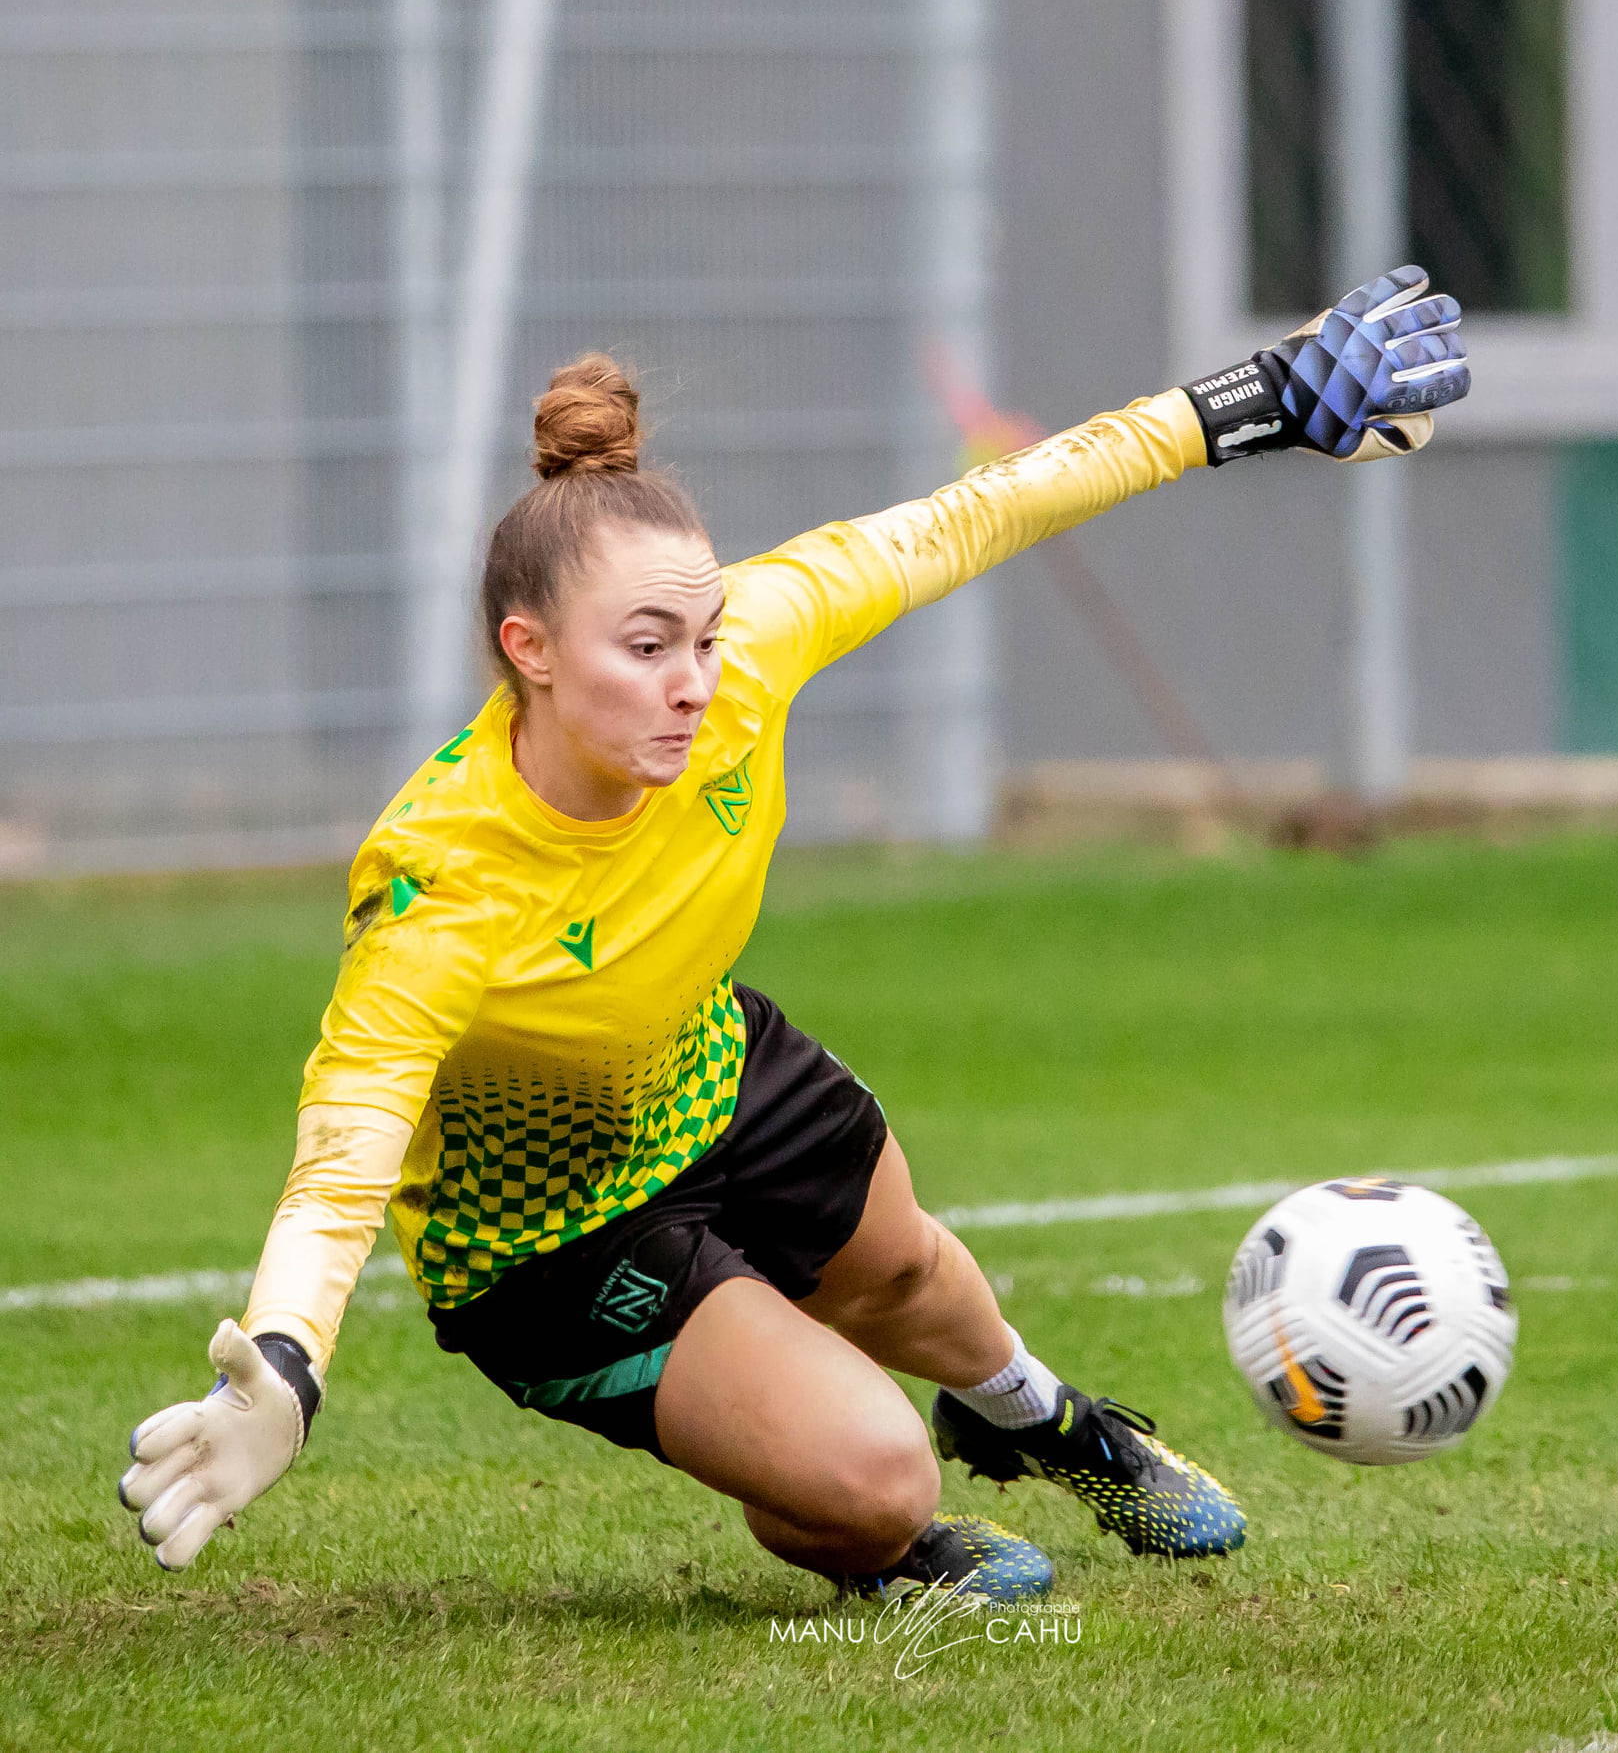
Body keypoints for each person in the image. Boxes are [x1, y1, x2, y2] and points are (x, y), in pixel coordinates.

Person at [118, 267, 1470, 1602]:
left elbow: (983, 510)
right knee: (874, 1478)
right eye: (646, 648)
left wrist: (1254, 400)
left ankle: (1043, 1421)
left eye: (705, 639)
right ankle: (886, 1545)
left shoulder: (748, 655)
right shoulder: (442, 880)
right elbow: (344, 1149)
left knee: (917, 1276)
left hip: (709, 1073)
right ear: (529, 650)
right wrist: (285, 1367)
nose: (693, 683)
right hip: (550, 1246)